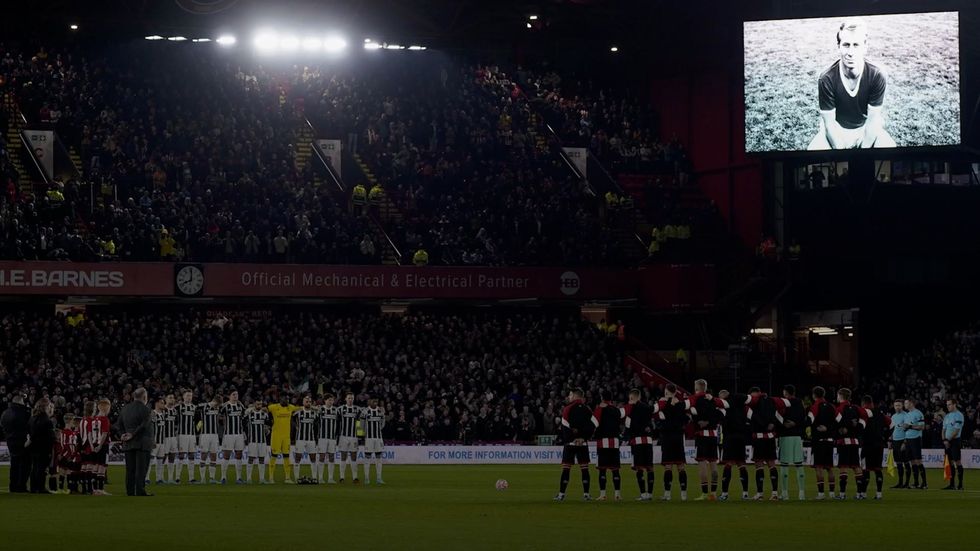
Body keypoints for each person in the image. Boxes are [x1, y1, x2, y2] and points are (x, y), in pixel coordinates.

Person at [807, 18, 896, 150]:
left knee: (888, 146)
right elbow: (829, 124)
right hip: (837, 130)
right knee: (813, 150)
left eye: (856, 45)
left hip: (864, 128)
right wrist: (842, 152)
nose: (850, 52)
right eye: (846, 45)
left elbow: (872, 121)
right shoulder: (826, 79)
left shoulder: (877, 75)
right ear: (839, 46)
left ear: (865, 47)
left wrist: (862, 152)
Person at [554, 387, 597, 502]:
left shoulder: (567, 409)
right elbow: (593, 425)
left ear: (575, 396)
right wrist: (583, 438)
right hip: (583, 444)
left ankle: (561, 494)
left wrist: (572, 439)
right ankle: (586, 494)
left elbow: (565, 426)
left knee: (566, 468)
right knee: (584, 468)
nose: (569, 397)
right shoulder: (587, 409)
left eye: (570, 395)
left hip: (570, 443)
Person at [684, 379, 725, 501]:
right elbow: (721, 413)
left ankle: (704, 493)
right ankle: (713, 493)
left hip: (701, 435)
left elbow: (689, 411)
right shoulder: (713, 400)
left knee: (702, 463)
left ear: (697, 388)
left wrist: (699, 421)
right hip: (712, 435)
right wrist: (711, 422)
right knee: (713, 463)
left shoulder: (694, 399)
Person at [114, 388, 155, 497]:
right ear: (144, 397)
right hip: (142, 443)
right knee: (141, 469)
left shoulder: (125, 409)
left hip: (128, 443)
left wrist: (122, 434)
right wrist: (133, 434)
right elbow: (144, 425)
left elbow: (118, 425)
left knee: (130, 469)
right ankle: (140, 491)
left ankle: (130, 491)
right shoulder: (146, 409)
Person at [656, 383, 689, 501]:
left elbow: (659, 416)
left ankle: (667, 494)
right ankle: (684, 495)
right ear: (675, 392)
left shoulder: (663, 404)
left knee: (668, 466)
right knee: (681, 466)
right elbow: (687, 419)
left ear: (666, 391)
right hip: (679, 437)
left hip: (667, 436)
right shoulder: (680, 404)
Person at [717, 389, 751, 501]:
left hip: (729, 437)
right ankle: (745, 494)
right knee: (741, 464)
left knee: (729, 463)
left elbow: (720, 417)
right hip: (741, 437)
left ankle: (725, 494)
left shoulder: (724, 405)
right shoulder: (741, 403)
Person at [747, 387, 779, 500]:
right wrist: (771, 423)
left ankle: (760, 494)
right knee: (771, 464)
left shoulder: (753, 404)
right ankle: (774, 493)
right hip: (770, 437)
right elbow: (776, 415)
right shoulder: (771, 401)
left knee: (759, 464)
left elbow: (753, 418)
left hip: (759, 436)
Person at [775, 384, 807, 501]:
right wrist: (796, 424)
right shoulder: (800, 403)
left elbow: (777, 416)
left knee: (784, 464)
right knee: (799, 464)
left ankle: (784, 494)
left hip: (785, 435)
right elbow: (803, 418)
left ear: (786, 393)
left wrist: (783, 424)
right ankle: (802, 494)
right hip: (797, 436)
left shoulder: (783, 402)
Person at [623, 389, 655, 501]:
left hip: (637, 441)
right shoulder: (647, 408)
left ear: (632, 398)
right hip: (648, 440)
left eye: (630, 398)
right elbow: (651, 424)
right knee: (650, 468)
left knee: (639, 468)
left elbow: (627, 427)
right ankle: (650, 494)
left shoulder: (630, 410)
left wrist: (625, 438)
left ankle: (643, 494)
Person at [593, 390, 625, 501]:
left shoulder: (599, 409)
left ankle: (603, 494)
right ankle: (617, 494)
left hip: (603, 442)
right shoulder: (617, 410)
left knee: (602, 470)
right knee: (615, 469)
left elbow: (594, 424)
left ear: (602, 398)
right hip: (615, 442)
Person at [808, 386, 838, 500]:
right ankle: (832, 494)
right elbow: (838, 421)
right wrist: (829, 429)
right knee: (829, 468)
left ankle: (821, 494)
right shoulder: (832, 406)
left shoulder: (815, 407)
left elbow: (809, 421)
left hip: (819, 442)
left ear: (814, 395)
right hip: (830, 441)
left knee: (819, 467)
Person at [833, 388, 863, 500]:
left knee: (843, 466)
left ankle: (842, 494)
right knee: (856, 466)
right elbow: (862, 421)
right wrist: (856, 428)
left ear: (840, 395)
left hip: (844, 441)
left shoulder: (839, 409)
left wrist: (841, 429)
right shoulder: (856, 408)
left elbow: (836, 424)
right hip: (855, 441)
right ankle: (860, 494)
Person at [859, 395, 890, 500]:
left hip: (867, 445)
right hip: (879, 445)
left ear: (863, 404)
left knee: (865, 469)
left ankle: (863, 494)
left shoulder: (863, 412)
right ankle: (879, 494)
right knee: (877, 469)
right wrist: (885, 437)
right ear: (872, 403)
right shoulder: (880, 414)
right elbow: (892, 424)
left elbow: (860, 427)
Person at [1, 393, 32, 492]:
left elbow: (2, 425)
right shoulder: (24, 412)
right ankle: (21, 486)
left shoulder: (5, 412)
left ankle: (13, 486)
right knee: (24, 464)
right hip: (22, 441)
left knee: (14, 464)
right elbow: (29, 425)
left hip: (10, 440)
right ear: (20, 401)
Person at [80, 398, 112, 495]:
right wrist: (100, 445)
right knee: (102, 467)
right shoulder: (105, 419)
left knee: (95, 467)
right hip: (103, 446)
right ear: (106, 408)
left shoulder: (93, 419)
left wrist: (92, 446)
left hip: (93, 444)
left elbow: (89, 433)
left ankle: (94, 489)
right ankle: (100, 489)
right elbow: (104, 433)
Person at [267, 394, 300, 483]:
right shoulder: (274, 407)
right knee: (274, 456)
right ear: (281, 399)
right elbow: (264, 409)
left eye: (288, 399)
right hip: (276, 436)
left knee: (286, 456)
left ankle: (288, 478)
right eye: (286, 399)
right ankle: (270, 478)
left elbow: (300, 408)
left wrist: (312, 407)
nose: (287, 401)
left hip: (286, 437)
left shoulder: (290, 407)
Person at [27, 398, 56, 493]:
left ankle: (34, 487)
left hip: (34, 447)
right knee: (42, 468)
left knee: (34, 467)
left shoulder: (32, 418)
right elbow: (50, 437)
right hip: (43, 447)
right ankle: (40, 487)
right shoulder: (47, 420)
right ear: (46, 407)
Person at [219, 390, 247, 484]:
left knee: (239, 455)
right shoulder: (225, 406)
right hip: (228, 435)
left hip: (239, 434)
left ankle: (239, 478)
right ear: (229, 396)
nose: (235, 396)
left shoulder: (240, 406)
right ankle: (223, 477)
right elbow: (219, 415)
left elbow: (244, 417)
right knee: (226, 455)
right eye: (233, 395)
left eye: (237, 394)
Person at [291, 395, 319, 481]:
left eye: (310, 401)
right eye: (306, 401)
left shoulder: (314, 413)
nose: (308, 403)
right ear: (303, 402)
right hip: (300, 439)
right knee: (298, 458)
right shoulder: (298, 412)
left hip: (311, 439)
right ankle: (296, 478)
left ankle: (314, 477)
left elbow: (317, 423)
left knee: (313, 458)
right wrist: (295, 426)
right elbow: (291, 418)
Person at [245, 398, 272, 484]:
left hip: (262, 441)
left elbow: (268, 425)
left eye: (260, 404)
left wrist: (267, 430)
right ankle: (248, 479)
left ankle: (262, 479)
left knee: (261, 459)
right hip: (252, 440)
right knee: (251, 458)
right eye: (257, 404)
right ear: (254, 404)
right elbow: (243, 421)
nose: (259, 406)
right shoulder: (249, 414)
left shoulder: (265, 414)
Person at [337, 392, 362, 483]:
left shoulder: (357, 409)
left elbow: (361, 420)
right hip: (343, 436)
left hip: (354, 436)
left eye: (352, 398)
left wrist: (360, 435)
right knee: (343, 456)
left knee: (354, 457)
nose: (350, 400)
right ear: (345, 399)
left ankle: (355, 477)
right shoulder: (340, 409)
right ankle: (341, 477)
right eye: (349, 398)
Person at [360, 398, 386, 485]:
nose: (375, 402)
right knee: (367, 458)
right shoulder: (365, 411)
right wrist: (366, 433)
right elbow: (362, 424)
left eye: (376, 401)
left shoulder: (380, 411)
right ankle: (367, 478)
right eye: (373, 401)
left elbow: (383, 423)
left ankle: (379, 478)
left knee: (379, 458)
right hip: (369, 438)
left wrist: (378, 430)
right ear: (369, 402)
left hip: (378, 438)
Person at [196, 395, 222, 483]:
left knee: (214, 455)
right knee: (203, 454)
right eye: (217, 405)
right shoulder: (203, 406)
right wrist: (198, 425)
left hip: (214, 435)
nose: (217, 407)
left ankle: (212, 478)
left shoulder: (218, 408)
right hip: (205, 434)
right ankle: (202, 478)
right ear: (214, 401)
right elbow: (194, 407)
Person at [175, 390, 199, 484]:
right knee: (181, 456)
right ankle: (177, 478)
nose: (189, 397)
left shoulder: (194, 407)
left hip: (192, 435)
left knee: (192, 456)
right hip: (182, 435)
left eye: (190, 396)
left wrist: (197, 430)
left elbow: (199, 421)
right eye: (187, 395)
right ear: (183, 397)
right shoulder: (179, 407)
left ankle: (191, 478)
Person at [902, 398, 927, 489]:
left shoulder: (918, 413)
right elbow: (907, 427)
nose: (905, 405)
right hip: (908, 439)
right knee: (912, 461)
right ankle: (916, 483)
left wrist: (910, 426)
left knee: (918, 460)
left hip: (916, 439)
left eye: (906, 403)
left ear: (911, 403)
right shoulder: (907, 415)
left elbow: (922, 427)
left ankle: (924, 483)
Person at [942, 398, 965, 491]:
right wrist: (944, 440)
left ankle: (960, 485)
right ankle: (952, 484)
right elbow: (943, 429)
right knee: (950, 462)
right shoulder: (947, 416)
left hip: (955, 441)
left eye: (949, 404)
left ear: (954, 404)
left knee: (957, 461)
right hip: (947, 441)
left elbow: (956, 430)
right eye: (947, 405)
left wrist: (948, 440)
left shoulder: (959, 415)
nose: (948, 406)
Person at [317, 394, 340, 484]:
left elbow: (339, 423)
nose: (331, 402)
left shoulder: (336, 410)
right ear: (325, 401)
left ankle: (330, 478)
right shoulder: (320, 409)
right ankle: (320, 478)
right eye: (329, 400)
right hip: (322, 437)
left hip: (332, 438)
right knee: (322, 457)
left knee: (331, 457)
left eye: (332, 400)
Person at [57, 413, 81, 494]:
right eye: (73, 420)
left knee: (64, 471)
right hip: (67, 455)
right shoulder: (67, 432)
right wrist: (65, 454)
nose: (74, 422)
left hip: (66, 454)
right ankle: (66, 489)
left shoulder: (67, 432)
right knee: (66, 471)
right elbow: (65, 445)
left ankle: (64, 489)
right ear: (70, 421)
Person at [889, 399, 908, 489]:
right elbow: (893, 429)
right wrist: (890, 440)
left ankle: (906, 483)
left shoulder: (906, 416)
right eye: (896, 405)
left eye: (899, 405)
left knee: (906, 462)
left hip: (902, 441)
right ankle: (900, 483)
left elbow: (908, 430)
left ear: (902, 406)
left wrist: (905, 442)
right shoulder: (893, 416)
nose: (897, 407)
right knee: (899, 463)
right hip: (895, 441)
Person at [161, 394, 179, 483]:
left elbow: (176, 423)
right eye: (170, 398)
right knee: (163, 457)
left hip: (173, 437)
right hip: (165, 437)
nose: (172, 399)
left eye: (173, 398)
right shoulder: (163, 410)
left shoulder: (175, 411)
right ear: (166, 399)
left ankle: (170, 478)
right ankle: (160, 477)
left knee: (172, 457)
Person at [150, 398, 168, 485]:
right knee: (150, 461)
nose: (163, 405)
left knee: (160, 461)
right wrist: (151, 440)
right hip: (154, 441)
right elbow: (150, 428)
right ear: (156, 403)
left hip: (162, 441)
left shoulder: (163, 414)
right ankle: (146, 478)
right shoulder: (152, 413)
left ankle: (159, 479)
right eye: (162, 403)